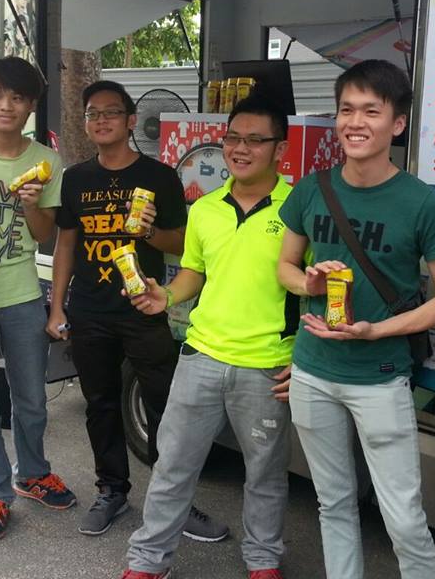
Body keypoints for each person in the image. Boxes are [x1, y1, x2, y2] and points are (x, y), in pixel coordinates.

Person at [276, 59, 435, 579]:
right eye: (346, 110)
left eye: (371, 111)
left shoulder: (420, 202)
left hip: (380, 377)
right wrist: (309, 284)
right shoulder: (311, 189)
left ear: (397, 124)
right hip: (312, 371)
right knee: (333, 504)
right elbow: (285, 267)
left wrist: (376, 330)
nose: (355, 122)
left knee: (403, 517)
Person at [121, 94, 296, 579]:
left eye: (255, 140)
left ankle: (263, 560)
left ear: (280, 149)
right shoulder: (205, 209)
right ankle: (148, 561)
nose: (240, 149)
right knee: (173, 464)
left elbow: (317, 289)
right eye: (233, 138)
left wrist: (303, 354)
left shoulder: (300, 208)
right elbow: (194, 272)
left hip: (267, 363)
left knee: (265, 473)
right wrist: (165, 296)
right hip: (200, 355)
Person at [46, 80, 228, 541]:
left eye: (111, 112)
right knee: (101, 404)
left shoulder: (160, 176)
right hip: (89, 310)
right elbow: (66, 243)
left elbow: (182, 244)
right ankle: (112, 491)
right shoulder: (76, 178)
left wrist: (148, 233)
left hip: (144, 307)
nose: (101, 120)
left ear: (131, 121)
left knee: (165, 404)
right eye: (93, 113)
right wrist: (57, 306)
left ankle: (174, 500)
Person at [0, 56, 75, 542]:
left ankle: (31, 473)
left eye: (17, 97)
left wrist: (31, 205)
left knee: (32, 397)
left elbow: (45, 234)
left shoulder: (46, 161)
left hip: (23, 291)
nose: (5, 106)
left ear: (31, 105)